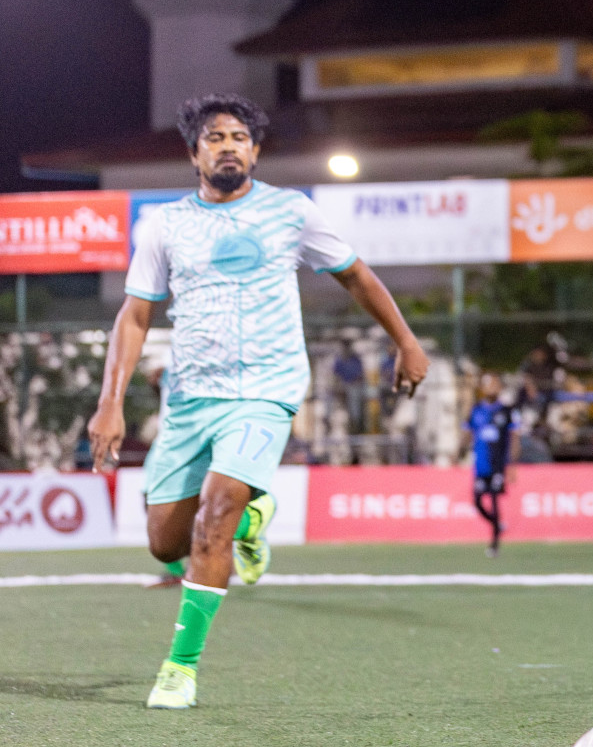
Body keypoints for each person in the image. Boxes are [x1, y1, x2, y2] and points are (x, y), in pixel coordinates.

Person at [87, 93, 429, 710]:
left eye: (239, 137)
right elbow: (135, 315)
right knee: (166, 542)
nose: (228, 146)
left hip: (265, 391)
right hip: (191, 398)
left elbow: (356, 275)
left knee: (213, 514)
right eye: (215, 137)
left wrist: (405, 341)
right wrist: (110, 401)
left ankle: (180, 669)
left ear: (256, 150)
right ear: (194, 153)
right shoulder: (164, 224)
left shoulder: (291, 212)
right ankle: (253, 521)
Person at [465, 372, 519, 557]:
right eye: (487, 384)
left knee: (495, 501)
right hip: (480, 464)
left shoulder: (506, 411)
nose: (491, 388)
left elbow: (513, 438)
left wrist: (511, 464)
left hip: (498, 464)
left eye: (494, 384)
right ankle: (497, 525)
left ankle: (494, 543)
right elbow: (468, 432)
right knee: (478, 501)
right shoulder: (476, 410)